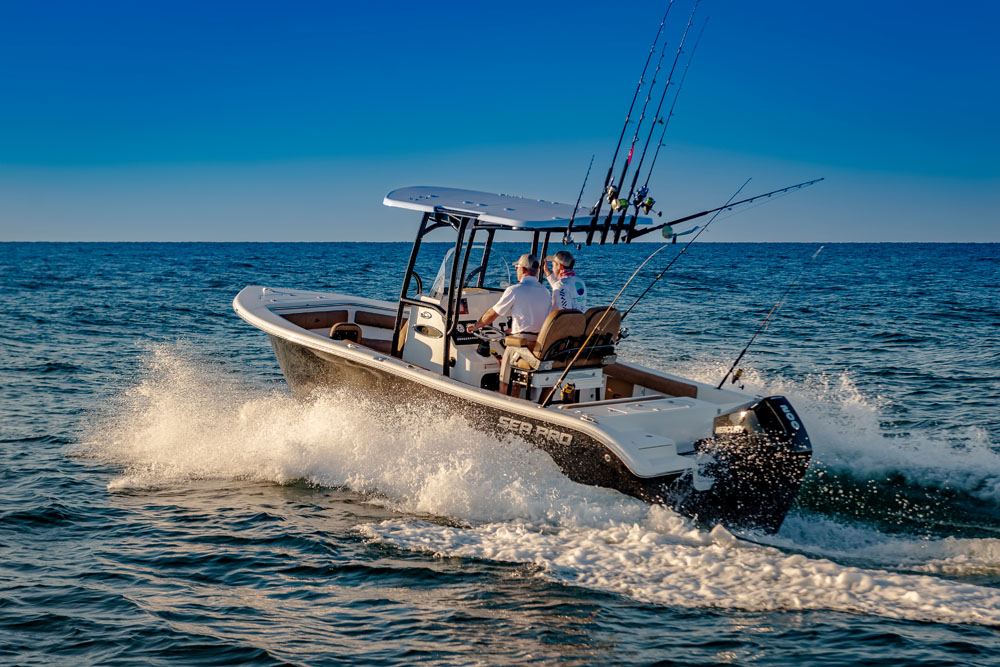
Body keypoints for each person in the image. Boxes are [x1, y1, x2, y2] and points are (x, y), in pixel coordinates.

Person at [470, 253, 551, 395]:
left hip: (520, 344)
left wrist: (476, 326)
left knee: (505, 374)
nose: (516, 271)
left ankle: (504, 399)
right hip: (540, 345)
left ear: (523, 270)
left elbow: (492, 314)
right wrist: (513, 329)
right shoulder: (546, 292)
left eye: (517, 268)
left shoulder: (514, 290)